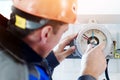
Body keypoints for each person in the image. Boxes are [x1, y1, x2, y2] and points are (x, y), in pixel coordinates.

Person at [0, 0, 106, 80]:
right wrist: (89, 74)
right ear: (46, 33)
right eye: (63, 31)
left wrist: (50, 61)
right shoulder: (19, 73)